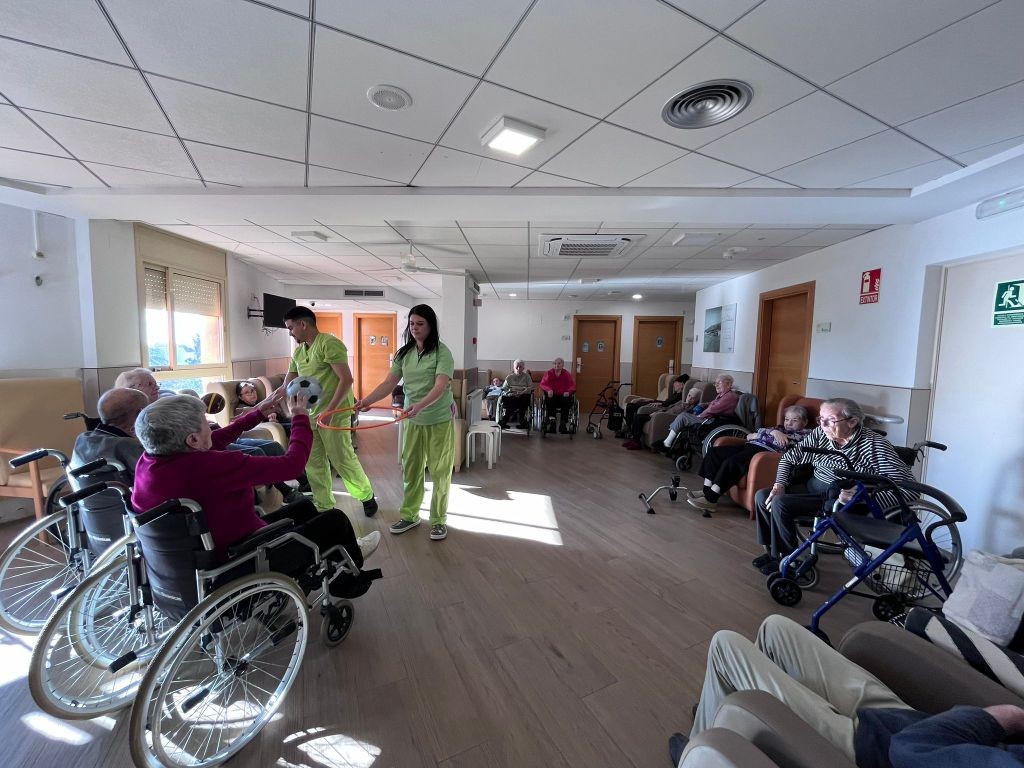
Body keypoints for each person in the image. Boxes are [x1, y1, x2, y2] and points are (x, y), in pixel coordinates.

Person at [667, 614, 1024, 768]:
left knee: (725, 645)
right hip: (907, 722)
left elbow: (911, 750)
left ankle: (699, 750)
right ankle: (734, 714)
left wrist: (994, 719)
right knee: (776, 628)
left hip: (879, 749)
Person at [131, 392, 379, 585]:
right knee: (335, 520)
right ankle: (351, 575)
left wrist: (257, 414)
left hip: (194, 559)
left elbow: (213, 441)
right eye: (205, 422)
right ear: (193, 439)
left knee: (304, 507)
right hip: (242, 556)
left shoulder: (149, 463)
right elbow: (292, 466)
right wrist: (300, 417)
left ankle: (332, 559)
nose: (210, 426)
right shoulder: (215, 466)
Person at [752, 397, 916, 574]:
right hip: (812, 486)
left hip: (836, 497)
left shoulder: (873, 445)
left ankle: (788, 560)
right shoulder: (820, 433)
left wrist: (865, 497)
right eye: (821, 419)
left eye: (830, 420)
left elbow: (909, 489)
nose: (822, 425)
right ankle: (774, 553)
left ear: (852, 422)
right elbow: (788, 458)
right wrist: (779, 484)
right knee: (763, 496)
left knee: (780, 503)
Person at [356, 304, 455, 542]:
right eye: (412, 323)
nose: (415, 328)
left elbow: (440, 386)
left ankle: (439, 520)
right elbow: (389, 383)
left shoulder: (442, 352)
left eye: (420, 324)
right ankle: (410, 515)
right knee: (411, 468)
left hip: (438, 419)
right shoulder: (404, 354)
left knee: (440, 471)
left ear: (430, 326)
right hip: (412, 420)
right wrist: (367, 401)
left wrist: (420, 405)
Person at [283, 306, 378, 518]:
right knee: (313, 462)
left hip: (335, 412)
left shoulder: (329, 343)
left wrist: (330, 410)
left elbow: (346, 379)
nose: (290, 333)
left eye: (290, 328)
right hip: (309, 415)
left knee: (341, 459)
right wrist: (269, 403)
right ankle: (323, 506)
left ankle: (366, 495)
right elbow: (288, 383)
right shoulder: (298, 352)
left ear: (303, 324)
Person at [686, 405, 811, 513]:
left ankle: (710, 500)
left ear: (805, 422)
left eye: (794, 420)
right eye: (787, 419)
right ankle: (706, 491)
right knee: (714, 452)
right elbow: (757, 431)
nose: (789, 423)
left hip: (765, 453)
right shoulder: (779, 428)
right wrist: (772, 432)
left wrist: (761, 434)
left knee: (733, 461)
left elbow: (785, 442)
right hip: (750, 446)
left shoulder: (804, 435)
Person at [69, 387, 150, 553]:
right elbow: (153, 480)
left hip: (97, 523)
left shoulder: (83, 440)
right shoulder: (128, 446)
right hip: (134, 522)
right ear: (140, 413)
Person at [662, 374, 738, 449]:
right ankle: (670, 441)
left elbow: (713, 409)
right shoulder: (722, 395)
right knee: (684, 415)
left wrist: (700, 415)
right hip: (711, 418)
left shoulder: (729, 397)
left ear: (728, 384)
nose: (716, 385)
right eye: (715, 383)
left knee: (683, 416)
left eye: (719, 383)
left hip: (713, 421)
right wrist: (704, 404)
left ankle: (667, 442)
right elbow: (712, 404)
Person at [621, 374, 690, 449]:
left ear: (682, 384)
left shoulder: (681, 399)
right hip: (661, 409)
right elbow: (667, 404)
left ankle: (635, 441)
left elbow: (668, 407)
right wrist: (653, 402)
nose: (674, 385)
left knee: (637, 415)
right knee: (634, 412)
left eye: (676, 383)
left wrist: (658, 410)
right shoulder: (675, 394)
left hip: (662, 413)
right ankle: (632, 437)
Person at [540, 357, 576, 434]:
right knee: (550, 399)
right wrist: (548, 390)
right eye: (555, 363)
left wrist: (568, 392)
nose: (557, 365)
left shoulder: (566, 374)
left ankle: (563, 424)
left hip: (563, 396)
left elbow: (572, 386)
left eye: (559, 363)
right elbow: (543, 384)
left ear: (563, 365)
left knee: (567, 400)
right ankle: (552, 422)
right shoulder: (549, 373)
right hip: (552, 395)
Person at [498, 359, 534, 430]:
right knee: (507, 399)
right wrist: (510, 393)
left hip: (523, 395)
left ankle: (522, 421)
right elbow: (504, 389)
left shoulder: (527, 376)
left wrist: (522, 392)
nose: (518, 368)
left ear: (523, 368)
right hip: (511, 395)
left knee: (524, 399)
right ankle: (504, 420)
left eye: (520, 367)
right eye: (516, 367)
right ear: (514, 368)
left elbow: (531, 387)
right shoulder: (509, 377)